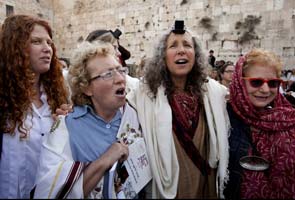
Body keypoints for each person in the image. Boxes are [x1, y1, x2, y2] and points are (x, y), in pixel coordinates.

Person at [126, 20, 230, 198]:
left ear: (195, 55)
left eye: (187, 45)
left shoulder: (213, 92)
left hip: (206, 185)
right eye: (173, 45)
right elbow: (116, 109)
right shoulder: (143, 95)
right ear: (162, 56)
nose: (181, 50)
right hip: (171, 187)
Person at [32, 41, 142, 198]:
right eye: (108, 74)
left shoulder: (136, 115)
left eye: (120, 70)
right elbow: (49, 192)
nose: (120, 79)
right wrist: (105, 160)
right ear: (86, 87)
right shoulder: (66, 127)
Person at [0, 14, 69, 198]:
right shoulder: (4, 99)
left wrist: (65, 127)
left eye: (49, 42)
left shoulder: (57, 98)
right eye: (37, 42)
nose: (47, 49)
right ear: (15, 48)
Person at [224, 48, 295, 199]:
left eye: (273, 83)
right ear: (239, 82)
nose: (265, 90)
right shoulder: (221, 119)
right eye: (256, 82)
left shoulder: (288, 119)